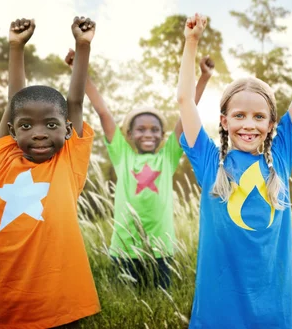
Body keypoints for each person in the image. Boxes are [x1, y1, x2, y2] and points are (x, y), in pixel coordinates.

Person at [177, 7, 292, 328]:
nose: (249, 125)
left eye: (259, 117)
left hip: (275, 308)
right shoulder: (209, 160)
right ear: (224, 121)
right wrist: (191, 42)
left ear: (272, 123)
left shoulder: (281, 154)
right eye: (239, 116)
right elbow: (184, 101)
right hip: (220, 310)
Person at [64, 49, 214, 288]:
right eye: (141, 129)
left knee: (159, 304)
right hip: (125, 249)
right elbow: (103, 112)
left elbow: (187, 114)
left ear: (162, 135)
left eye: (154, 130)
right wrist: (78, 69)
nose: (148, 134)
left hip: (161, 250)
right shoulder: (122, 155)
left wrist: (204, 77)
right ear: (130, 134)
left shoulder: (167, 157)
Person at [0, 17, 100, 328]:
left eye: (50, 125)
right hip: (13, 303)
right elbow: (14, 101)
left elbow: (74, 102)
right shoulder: (3, 161)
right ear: (12, 130)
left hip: (62, 302)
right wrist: (15, 48)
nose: (38, 133)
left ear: (66, 130)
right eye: (26, 126)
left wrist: (83, 46)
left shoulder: (67, 161)